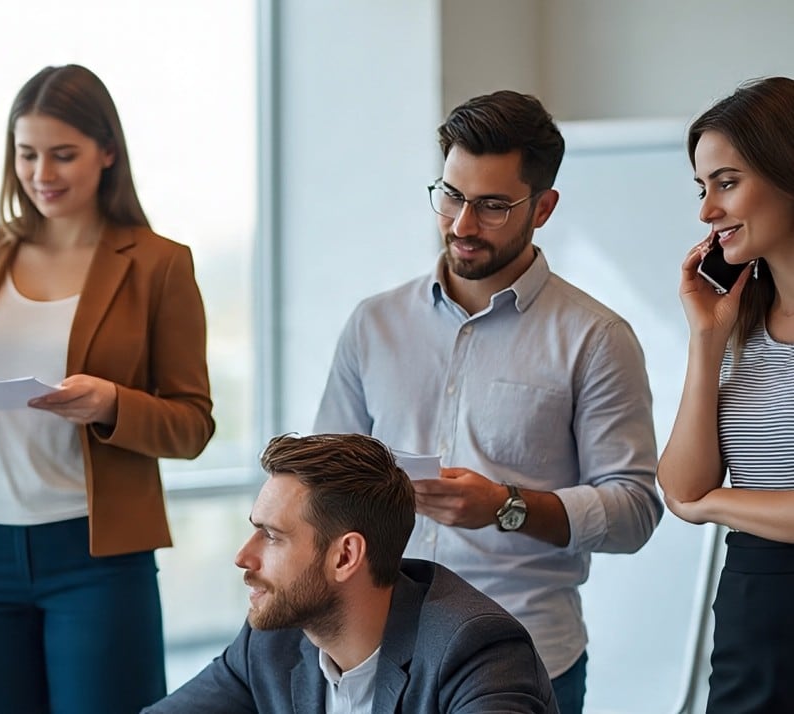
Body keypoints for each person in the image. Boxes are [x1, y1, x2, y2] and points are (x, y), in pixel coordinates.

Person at [312, 90, 661, 713]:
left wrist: (507, 507)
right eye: (450, 196)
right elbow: (322, 484)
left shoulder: (596, 339)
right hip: (379, 653)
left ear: (544, 207)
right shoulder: (374, 324)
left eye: (493, 206)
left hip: (524, 658)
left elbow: (634, 511)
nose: (462, 225)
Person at [0, 64, 214, 713]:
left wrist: (110, 404)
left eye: (62, 155)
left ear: (107, 152)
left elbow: (192, 424)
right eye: (26, 154)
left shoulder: (159, 264)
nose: (41, 173)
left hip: (95, 557)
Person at [146, 433, 557, 713]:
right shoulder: (270, 642)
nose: (242, 557)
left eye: (271, 536)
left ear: (345, 557)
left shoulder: (476, 651)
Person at [658, 76, 794, 714]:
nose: (706, 211)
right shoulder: (738, 320)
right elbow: (680, 486)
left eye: (727, 182)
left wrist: (713, 504)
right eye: (702, 186)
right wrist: (706, 341)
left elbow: (695, 499)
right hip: (753, 606)